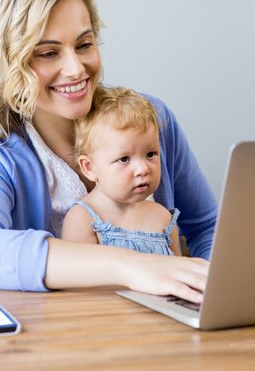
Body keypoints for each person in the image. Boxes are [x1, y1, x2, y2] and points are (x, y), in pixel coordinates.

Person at [0, 0, 217, 303]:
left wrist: (206, 294)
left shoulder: (152, 120)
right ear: (13, 63)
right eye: (48, 53)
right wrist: (132, 266)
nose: (75, 69)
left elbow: (206, 227)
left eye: (84, 44)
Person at [62, 86, 182, 257]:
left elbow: (181, 273)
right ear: (90, 167)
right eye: (124, 159)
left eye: (150, 154)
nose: (143, 169)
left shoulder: (163, 217)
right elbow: (78, 282)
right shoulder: (83, 219)